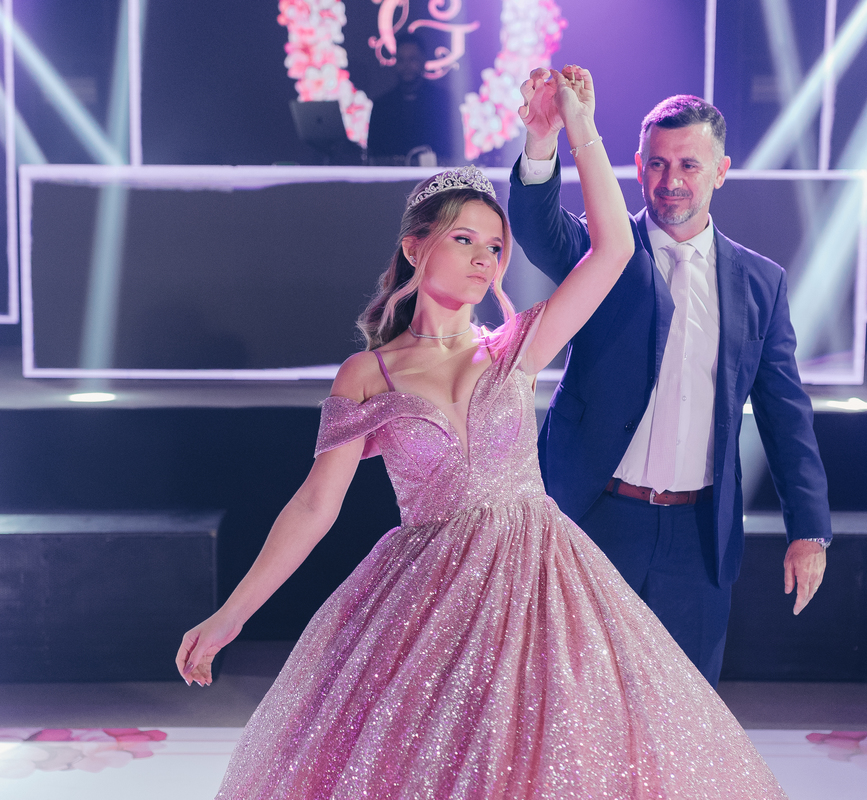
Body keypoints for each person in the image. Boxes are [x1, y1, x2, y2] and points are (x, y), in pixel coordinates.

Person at [177, 67, 788, 799]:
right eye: (463, 239)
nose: (481, 258)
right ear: (414, 248)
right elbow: (315, 506)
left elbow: (614, 252)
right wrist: (231, 615)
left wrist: (576, 127)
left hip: (542, 586)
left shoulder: (515, 347)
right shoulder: (366, 375)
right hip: (429, 599)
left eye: (495, 247)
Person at [508, 75, 832, 687]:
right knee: (576, 705)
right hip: (595, 517)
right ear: (637, 167)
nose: (671, 180)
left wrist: (809, 529)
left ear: (721, 172)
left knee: (686, 714)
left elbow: (786, 414)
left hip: (698, 537)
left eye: (688, 164)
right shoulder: (604, 252)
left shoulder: (761, 283)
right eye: (657, 164)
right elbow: (535, 225)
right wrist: (543, 138)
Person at [367, 32, 458, 166]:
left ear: (423, 61)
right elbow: (373, 155)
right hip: (391, 178)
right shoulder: (382, 105)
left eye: (412, 59)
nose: (407, 66)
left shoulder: (443, 102)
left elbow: (454, 151)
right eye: (401, 60)